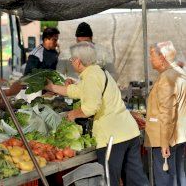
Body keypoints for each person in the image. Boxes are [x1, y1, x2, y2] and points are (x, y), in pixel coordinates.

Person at [45, 41, 149, 186]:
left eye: (71, 60)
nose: (71, 63)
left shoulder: (91, 76)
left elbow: (91, 108)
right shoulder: (99, 71)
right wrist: (51, 87)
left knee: (109, 181)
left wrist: (74, 114)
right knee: (136, 179)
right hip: (128, 132)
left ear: (78, 61)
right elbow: (75, 91)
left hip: (113, 137)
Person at [145, 41, 186, 186]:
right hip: (178, 135)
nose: (150, 59)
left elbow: (166, 113)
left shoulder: (166, 79)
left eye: (152, 56)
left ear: (162, 57)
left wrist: (163, 144)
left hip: (165, 138)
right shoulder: (179, 72)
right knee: (179, 176)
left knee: (165, 179)